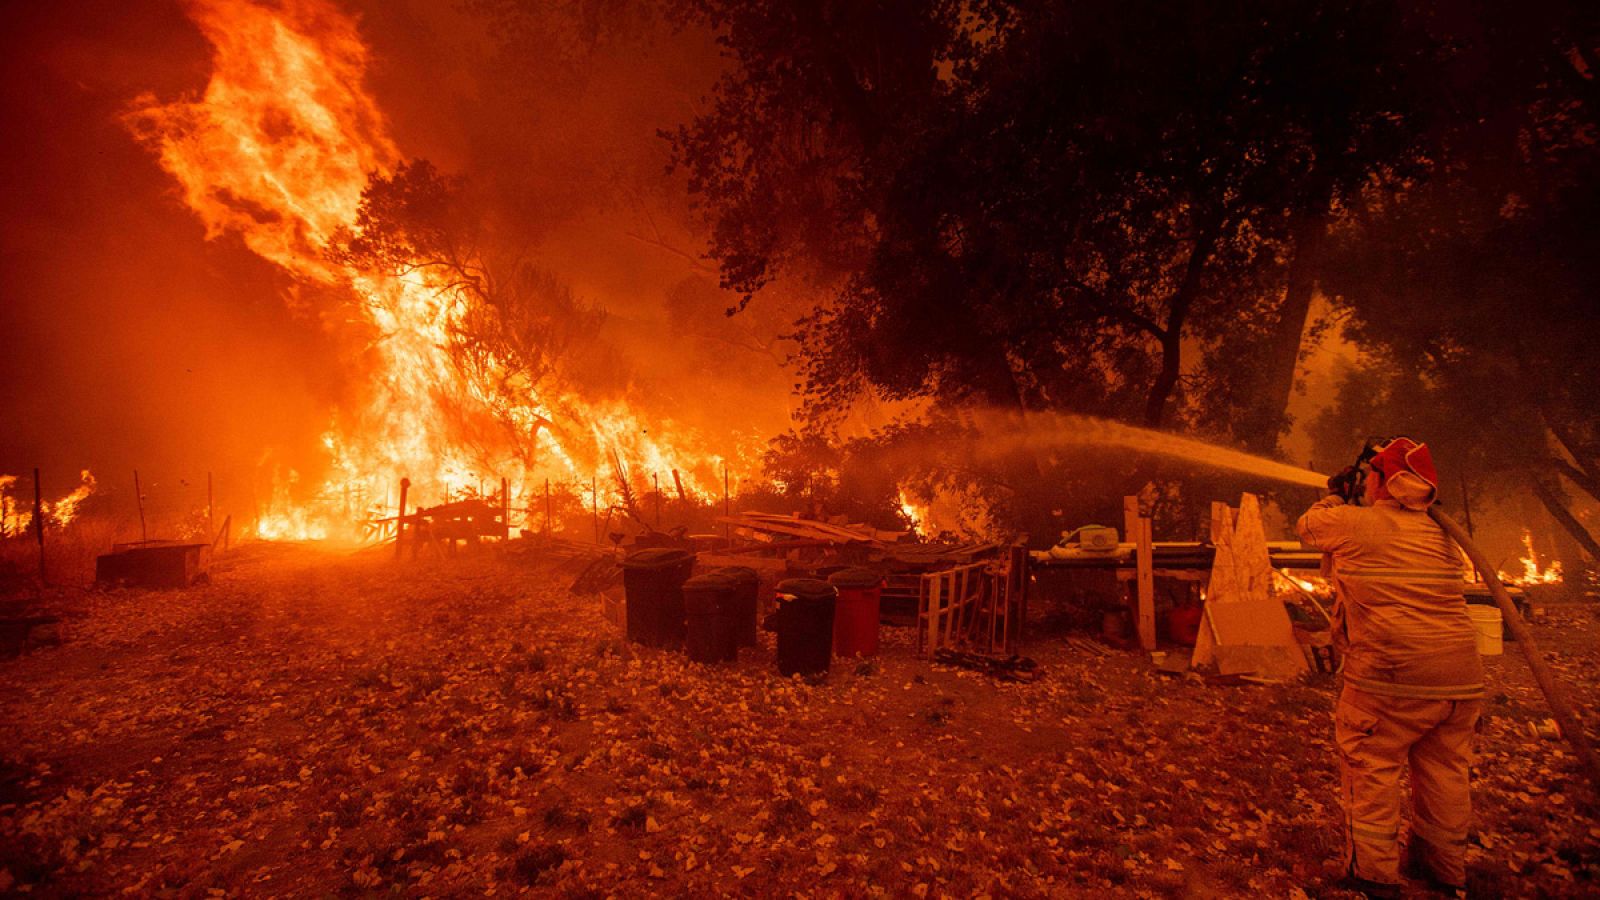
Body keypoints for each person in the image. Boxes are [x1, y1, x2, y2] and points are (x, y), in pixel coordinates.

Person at [1296, 437, 1483, 898]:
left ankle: (1374, 876)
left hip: (1393, 678)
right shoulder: (1444, 534)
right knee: (1444, 774)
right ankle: (1444, 872)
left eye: (1372, 475)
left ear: (1384, 480)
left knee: (1371, 763)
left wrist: (1336, 493)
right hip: (1459, 680)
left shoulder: (1359, 524)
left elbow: (1309, 527)